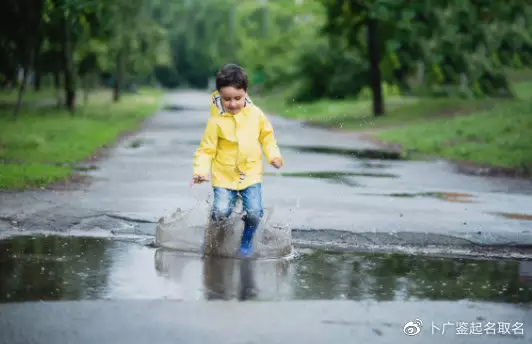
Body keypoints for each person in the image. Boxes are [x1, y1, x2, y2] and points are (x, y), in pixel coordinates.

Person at [191, 64, 283, 258]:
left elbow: (267, 137)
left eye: (237, 98)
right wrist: (200, 171)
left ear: (246, 93)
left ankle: (246, 242)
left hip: (250, 174)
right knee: (221, 211)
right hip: (224, 176)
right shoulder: (215, 122)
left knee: (253, 212)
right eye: (227, 99)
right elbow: (206, 149)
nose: (232, 104)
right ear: (220, 96)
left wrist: (273, 156)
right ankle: (215, 234)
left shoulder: (256, 115)